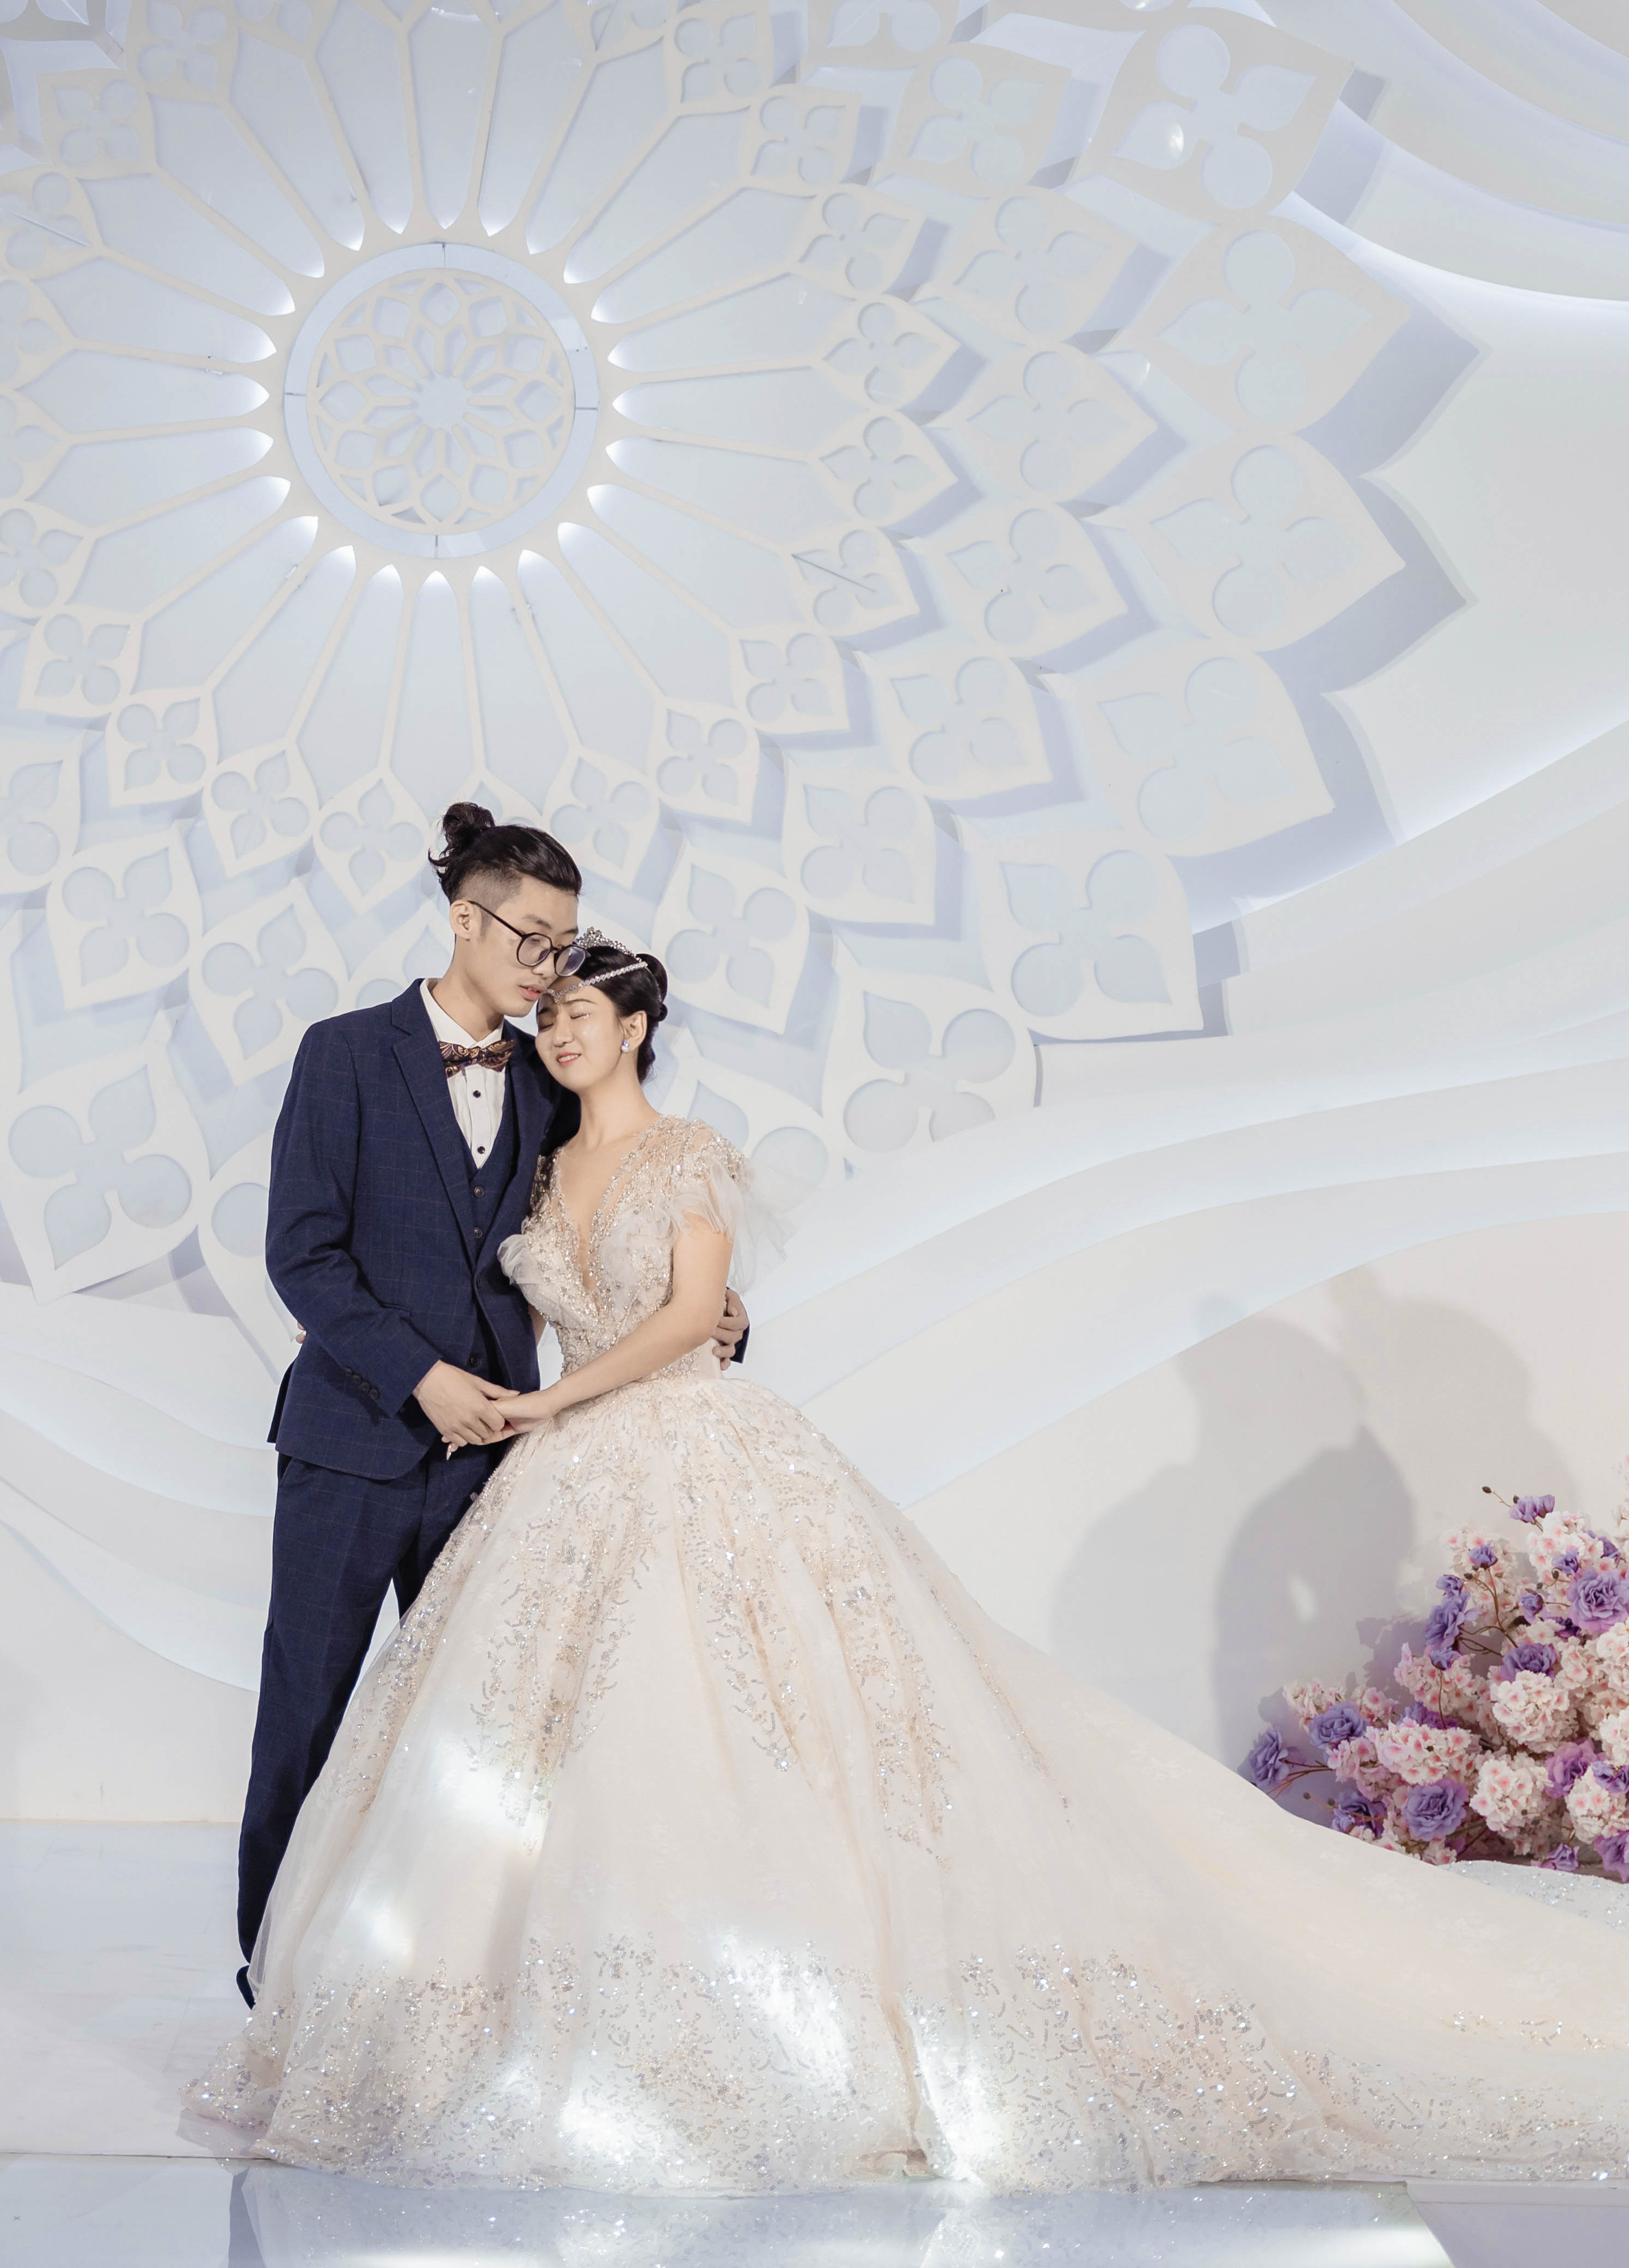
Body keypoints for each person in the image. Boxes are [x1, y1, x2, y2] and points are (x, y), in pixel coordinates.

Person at [196, 934, 1629, 2193]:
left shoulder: (688, 1152)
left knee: (760, 1716)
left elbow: (693, 1314)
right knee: (527, 1737)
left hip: (667, 1445)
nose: (555, 1031)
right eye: (549, 1012)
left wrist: (574, 1391)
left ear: (634, 1027)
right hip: (547, 1474)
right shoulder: (532, 1152)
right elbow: (443, 1265)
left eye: (579, 1013)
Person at [235, 802, 744, 2000]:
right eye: (532, 939)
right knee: (308, 1706)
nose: (547, 967)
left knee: (472, 1726)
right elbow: (302, 1253)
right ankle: (273, 1970)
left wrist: (713, 1312)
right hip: (353, 1439)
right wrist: (420, 1376)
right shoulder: (343, 1055)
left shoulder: (550, 1086)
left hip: (496, 1464)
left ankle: (433, 1981)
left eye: (563, 946)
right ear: (464, 920)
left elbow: (613, 1228)